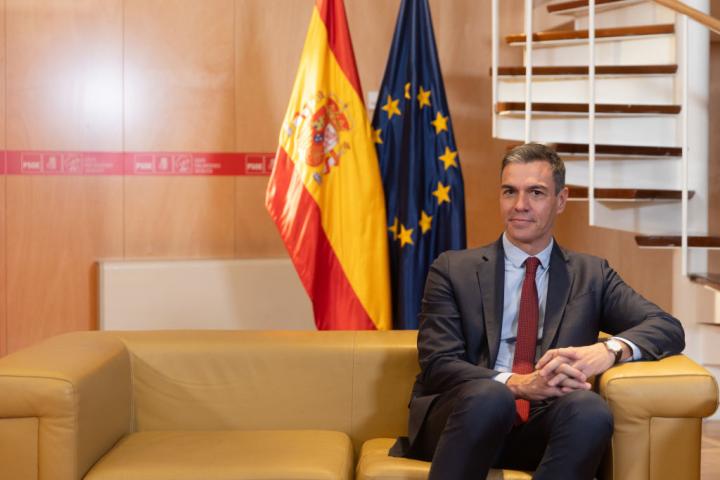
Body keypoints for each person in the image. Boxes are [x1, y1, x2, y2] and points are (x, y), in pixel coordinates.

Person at [389, 143, 685, 479]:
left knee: (590, 410)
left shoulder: (591, 275)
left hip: (542, 423)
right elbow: (438, 364)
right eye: (509, 191)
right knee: (492, 396)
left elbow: (666, 325)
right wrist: (518, 384)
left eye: (536, 192)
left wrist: (608, 351)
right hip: (464, 418)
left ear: (561, 200)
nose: (520, 205)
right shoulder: (453, 269)